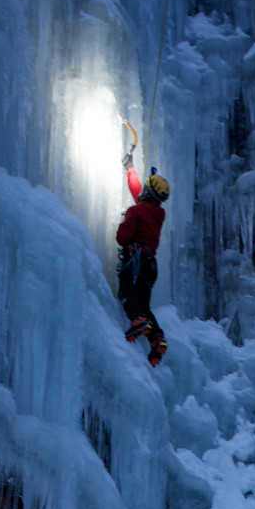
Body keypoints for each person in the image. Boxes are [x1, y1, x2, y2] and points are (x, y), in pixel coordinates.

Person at [117, 150, 170, 367]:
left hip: (136, 260)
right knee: (143, 303)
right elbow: (139, 193)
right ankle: (157, 338)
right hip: (150, 265)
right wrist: (130, 169)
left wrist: (125, 219)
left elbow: (122, 237)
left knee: (127, 292)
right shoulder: (155, 212)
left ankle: (138, 321)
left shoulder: (137, 211)